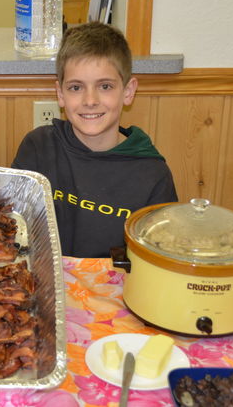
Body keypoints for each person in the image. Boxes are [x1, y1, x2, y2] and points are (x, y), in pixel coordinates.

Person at [11, 22, 177, 258]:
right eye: (76, 87)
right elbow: (12, 228)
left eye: (105, 86)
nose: (90, 100)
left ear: (128, 91)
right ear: (60, 94)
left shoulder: (153, 175)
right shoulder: (38, 148)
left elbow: (160, 258)